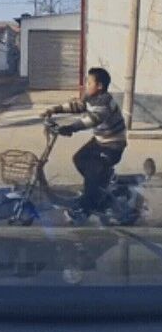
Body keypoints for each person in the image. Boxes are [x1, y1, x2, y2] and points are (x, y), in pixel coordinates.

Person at [41, 67, 127, 222]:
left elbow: (90, 120)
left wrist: (70, 128)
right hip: (101, 141)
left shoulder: (105, 103)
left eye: (89, 82)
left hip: (113, 145)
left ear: (99, 86)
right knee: (79, 159)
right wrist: (54, 109)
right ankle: (99, 185)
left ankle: (87, 207)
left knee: (92, 173)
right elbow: (77, 106)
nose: (86, 85)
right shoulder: (90, 97)